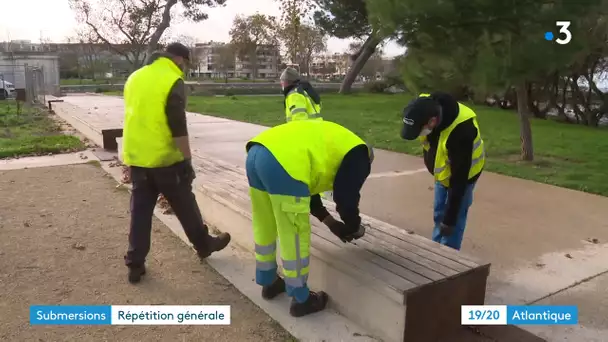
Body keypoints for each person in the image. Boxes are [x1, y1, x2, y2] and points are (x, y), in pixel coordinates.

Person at [121, 42, 231, 284]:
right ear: (180, 59)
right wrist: (186, 159)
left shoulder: (135, 77)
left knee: (140, 212)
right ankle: (203, 245)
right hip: (165, 159)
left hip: (138, 158)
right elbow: (177, 124)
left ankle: (135, 263)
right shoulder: (172, 79)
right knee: (185, 204)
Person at [245, 119, 374, 317]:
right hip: (285, 161)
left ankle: (269, 281)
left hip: (257, 152)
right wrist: (353, 225)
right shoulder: (360, 156)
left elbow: (306, 189)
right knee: (294, 231)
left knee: (265, 222)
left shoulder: (337, 143)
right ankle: (301, 299)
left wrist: (330, 223)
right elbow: (345, 196)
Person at [400, 92, 485, 251]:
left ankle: (449, 259)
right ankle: (435, 250)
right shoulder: (424, 105)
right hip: (443, 173)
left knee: (453, 219)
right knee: (439, 212)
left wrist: (450, 220)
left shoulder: (462, 131)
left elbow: (459, 181)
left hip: (465, 176)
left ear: (432, 122)